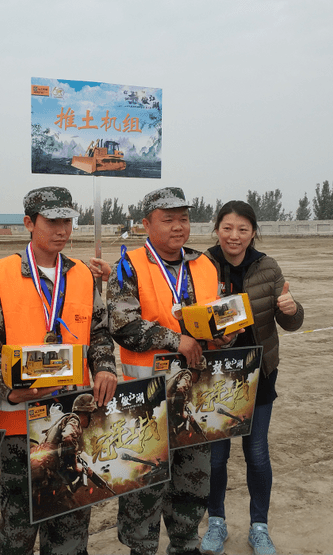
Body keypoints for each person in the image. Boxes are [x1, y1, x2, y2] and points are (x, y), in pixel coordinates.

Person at [0, 186, 117, 555]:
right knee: (20, 525)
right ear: (28, 223)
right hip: (21, 425)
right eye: (52, 221)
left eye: (67, 221)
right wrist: (8, 388)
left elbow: (99, 332)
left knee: (71, 516)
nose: (62, 230)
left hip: (70, 419)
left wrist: (104, 367)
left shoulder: (83, 275)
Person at [108, 187, 238, 555]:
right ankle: (142, 547)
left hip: (196, 397)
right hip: (145, 400)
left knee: (193, 481)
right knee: (144, 480)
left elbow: (214, 320)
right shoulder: (129, 264)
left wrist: (224, 336)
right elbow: (122, 324)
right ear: (147, 223)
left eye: (183, 218)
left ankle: (185, 543)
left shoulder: (204, 265)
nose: (178, 226)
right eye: (168, 219)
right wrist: (175, 339)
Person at [199, 200, 304, 555]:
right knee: (215, 458)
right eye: (227, 228)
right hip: (214, 379)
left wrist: (292, 309)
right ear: (217, 230)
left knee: (257, 454)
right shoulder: (201, 266)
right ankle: (216, 522)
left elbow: (290, 321)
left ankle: (259, 526)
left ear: (253, 232)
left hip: (259, 375)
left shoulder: (268, 267)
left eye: (243, 229)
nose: (234, 235)